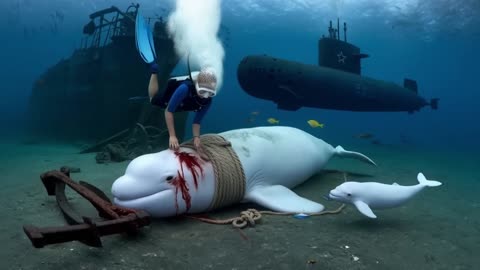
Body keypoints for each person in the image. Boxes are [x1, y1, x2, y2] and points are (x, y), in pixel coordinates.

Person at [147, 62, 217, 151]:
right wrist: (172, 136)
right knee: (153, 99)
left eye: (210, 93)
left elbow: (197, 122)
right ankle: (154, 72)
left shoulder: (207, 101)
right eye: (203, 91)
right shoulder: (185, 88)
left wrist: (196, 137)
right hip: (173, 98)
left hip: (185, 104)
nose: (206, 96)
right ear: (196, 85)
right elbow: (168, 111)